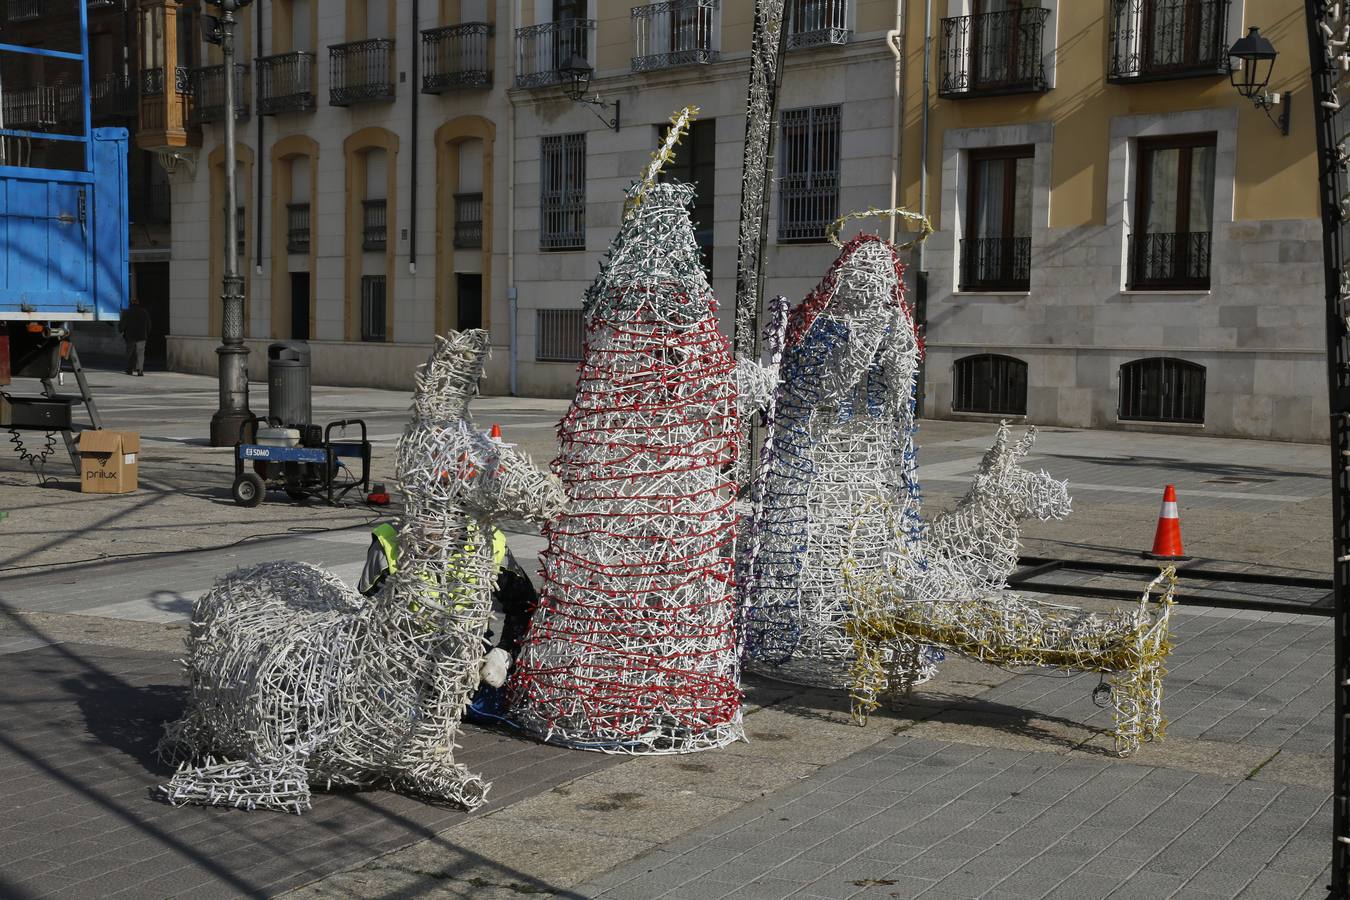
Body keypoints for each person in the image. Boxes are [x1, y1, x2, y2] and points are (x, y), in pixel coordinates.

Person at [357, 520, 539, 694]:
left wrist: (505, 652)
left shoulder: (487, 541)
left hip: (472, 664)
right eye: (427, 514)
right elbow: (366, 616)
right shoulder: (388, 540)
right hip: (408, 668)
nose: (434, 527)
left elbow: (524, 603)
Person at [118, 298, 151, 376]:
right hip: (142, 336)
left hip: (130, 337)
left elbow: (122, 325)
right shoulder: (144, 312)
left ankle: (129, 369)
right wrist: (146, 333)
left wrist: (120, 330)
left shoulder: (127, 312)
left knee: (130, 353)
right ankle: (140, 370)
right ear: (138, 304)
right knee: (141, 353)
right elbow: (149, 324)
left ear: (130, 304)